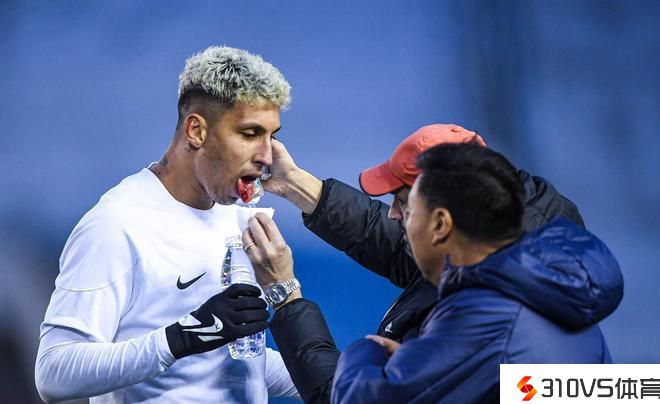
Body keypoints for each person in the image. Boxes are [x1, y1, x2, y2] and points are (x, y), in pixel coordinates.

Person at [243, 124, 623, 403]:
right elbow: (399, 246)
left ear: (441, 223)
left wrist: (287, 295)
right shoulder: (528, 271)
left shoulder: (484, 319)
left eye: (404, 205)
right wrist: (295, 184)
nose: (394, 216)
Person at [35, 46, 299, 403]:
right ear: (196, 131)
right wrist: (180, 337)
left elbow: (227, 366)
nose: (268, 156)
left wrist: (344, 377)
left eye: (272, 136)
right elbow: (54, 372)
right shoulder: (117, 223)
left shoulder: (235, 216)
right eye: (250, 133)